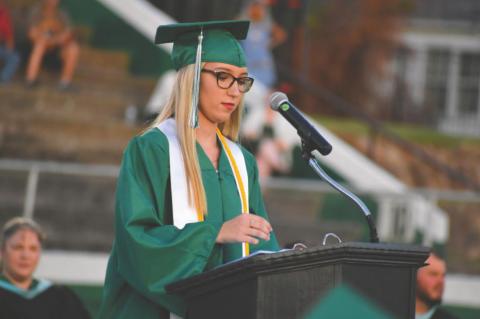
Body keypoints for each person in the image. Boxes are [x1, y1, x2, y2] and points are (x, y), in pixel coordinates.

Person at [98, 20, 280, 319]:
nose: (235, 91)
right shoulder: (152, 149)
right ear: (191, 78)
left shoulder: (242, 162)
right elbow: (136, 241)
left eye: (242, 80)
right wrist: (216, 233)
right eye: (223, 77)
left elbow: (260, 244)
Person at [0, 217, 91, 319]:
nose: (25, 256)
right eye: (18, 247)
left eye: (33, 249)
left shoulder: (61, 297)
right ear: (2, 251)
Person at [25, 0, 79, 90]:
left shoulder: (62, 13)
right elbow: (31, 34)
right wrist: (44, 40)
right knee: (39, 46)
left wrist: (54, 41)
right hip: (36, 47)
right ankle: (30, 80)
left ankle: (65, 83)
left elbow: (68, 33)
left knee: (73, 48)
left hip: (57, 47)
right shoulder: (36, 11)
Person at [415, 252, 458, 319]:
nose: (441, 281)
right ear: (415, 276)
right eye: (433, 274)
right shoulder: (394, 314)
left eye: (443, 275)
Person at [0, 0, 20, 84]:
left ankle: (3, 79)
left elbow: (9, 35)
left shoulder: (4, 14)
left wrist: (10, 47)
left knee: (14, 57)